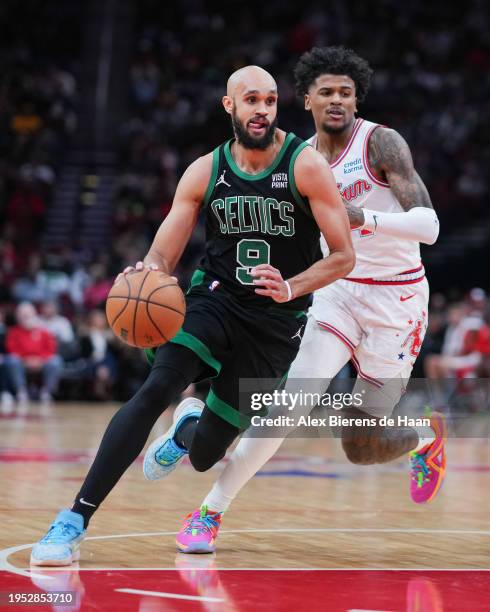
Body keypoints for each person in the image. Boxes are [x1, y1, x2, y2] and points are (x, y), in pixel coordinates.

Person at [30, 65, 355, 565]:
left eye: (270, 100)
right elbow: (163, 254)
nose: (262, 110)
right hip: (214, 301)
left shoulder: (305, 165)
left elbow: (342, 256)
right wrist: (149, 271)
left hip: (275, 324)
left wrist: (291, 285)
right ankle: (73, 519)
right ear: (230, 106)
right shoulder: (206, 169)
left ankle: (188, 429)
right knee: (157, 387)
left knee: (205, 457)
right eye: (251, 100)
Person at [169, 47, 444, 554]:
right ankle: (210, 512)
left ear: (357, 99)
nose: (337, 100)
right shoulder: (298, 158)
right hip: (336, 292)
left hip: (397, 300)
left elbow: (429, 227)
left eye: (346, 92)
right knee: (287, 406)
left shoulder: (381, 143)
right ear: (307, 100)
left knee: (360, 447)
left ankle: (423, 435)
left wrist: (365, 219)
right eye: (326, 92)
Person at [5, 301, 63, 406]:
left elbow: (50, 349)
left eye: (28, 314)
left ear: (34, 315)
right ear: (18, 316)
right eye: (23, 315)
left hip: (41, 362)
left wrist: (40, 359)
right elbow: (11, 349)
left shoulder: (44, 332)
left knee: (56, 361)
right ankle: (21, 392)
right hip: (22, 362)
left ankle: (46, 392)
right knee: (11, 360)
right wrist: (25, 359)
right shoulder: (13, 332)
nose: (26, 317)